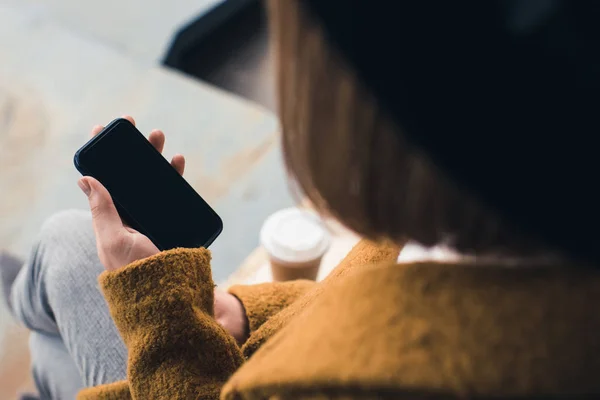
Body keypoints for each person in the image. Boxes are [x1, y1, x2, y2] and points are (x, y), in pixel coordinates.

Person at [3, 0, 600, 398]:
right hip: (247, 351)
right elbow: (346, 303)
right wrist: (238, 315)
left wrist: (161, 312)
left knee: (62, 248)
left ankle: (27, 312)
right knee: (57, 334)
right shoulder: (499, 229)